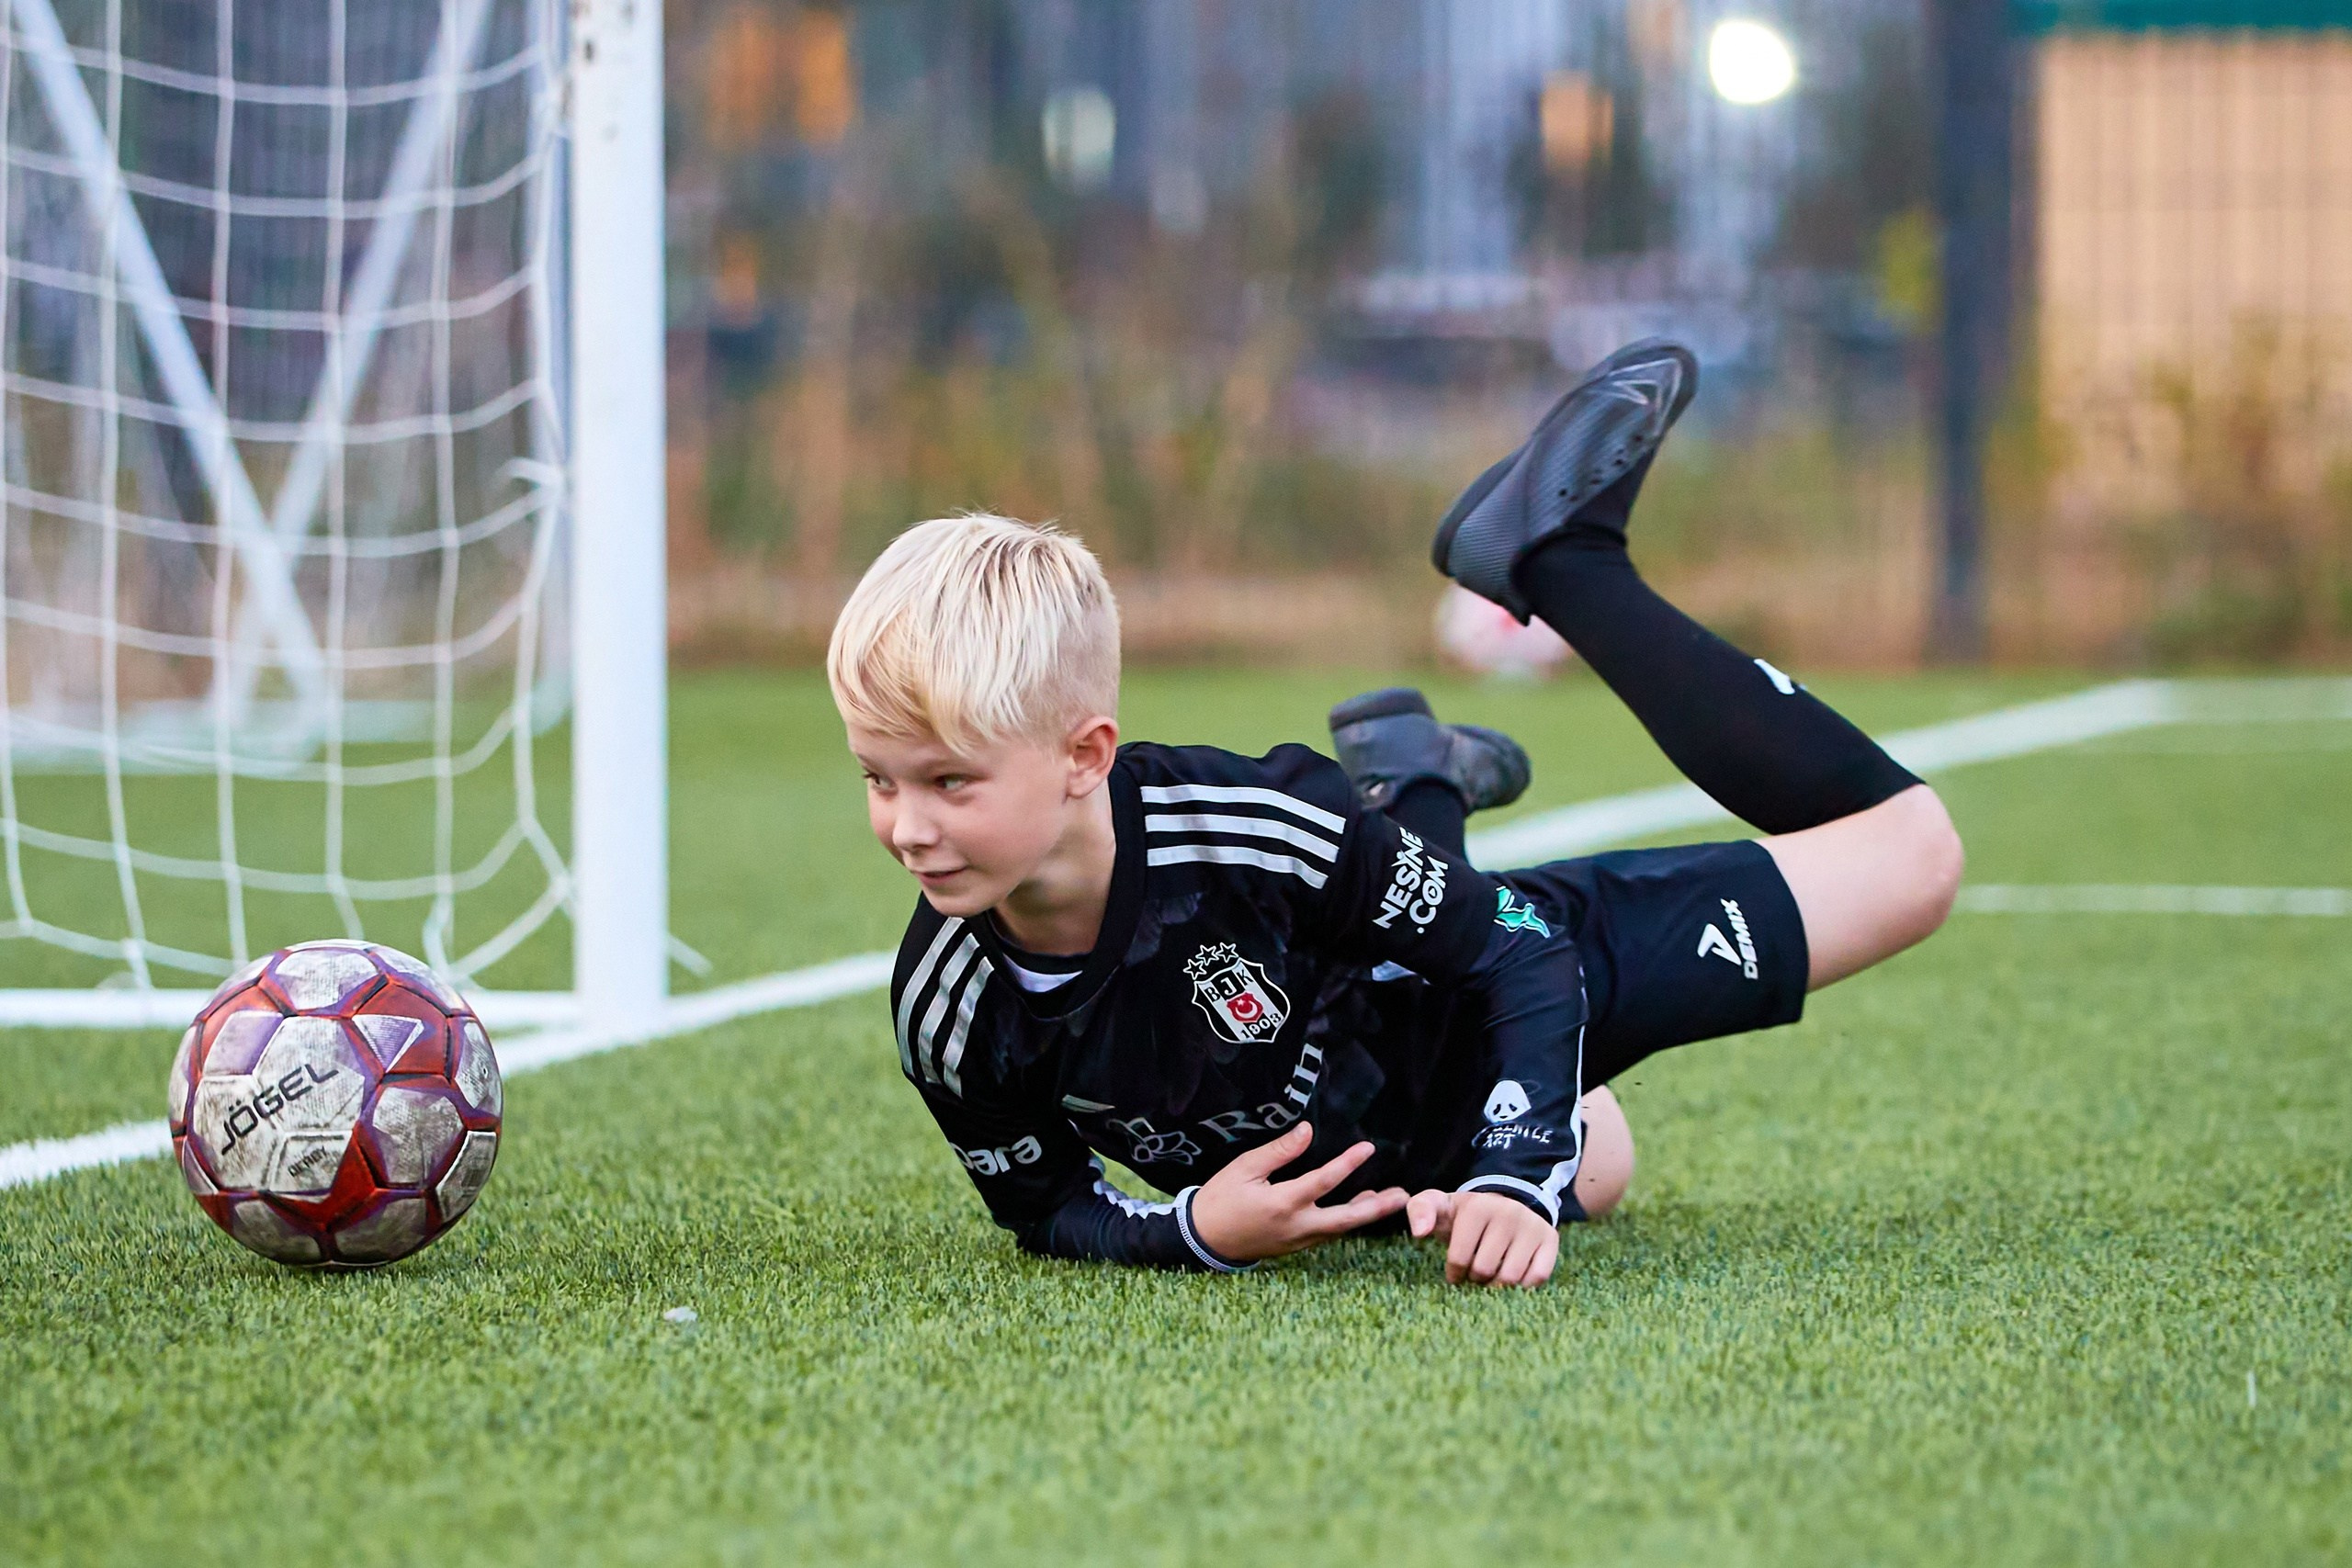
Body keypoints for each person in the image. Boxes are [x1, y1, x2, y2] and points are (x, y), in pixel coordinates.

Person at [826, 340, 1962, 1288]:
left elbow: (1520, 957)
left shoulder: (1256, 821)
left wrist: (1513, 1170)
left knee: (1914, 860)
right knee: (1605, 1164)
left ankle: (1563, 566)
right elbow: (1046, 1209)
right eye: (881, 779)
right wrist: (1192, 1235)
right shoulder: (948, 1009)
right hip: (1387, 1146)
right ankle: (1417, 780)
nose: (907, 827)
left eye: (949, 782)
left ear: (1086, 756)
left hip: (1474, 992)